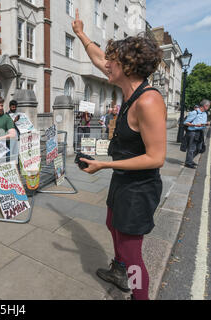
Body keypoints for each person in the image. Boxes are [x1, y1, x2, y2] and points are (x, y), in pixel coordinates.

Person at [72, 9, 166, 300]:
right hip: (123, 181)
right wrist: (80, 33)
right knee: (112, 224)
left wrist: (103, 164)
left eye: (112, 60)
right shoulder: (127, 86)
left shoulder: (148, 101)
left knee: (132, 251)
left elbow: (156, 157)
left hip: (138, 188)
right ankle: (118, 270)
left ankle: (139, 295)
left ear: (125, 65)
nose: (105, 64)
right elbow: (98, 57)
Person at [183, 99, 210, 168]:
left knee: (199, 148)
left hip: (200, 132)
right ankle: (188, 162)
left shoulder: (205, 113)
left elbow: (202, 123)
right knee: (191, 148)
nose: (209, 107)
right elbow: (185, 122)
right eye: (208, 106)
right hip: (192, 132)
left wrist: (206, 124)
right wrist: (194, 125)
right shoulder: (194, 113)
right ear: (205, 106)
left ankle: (189, 160)